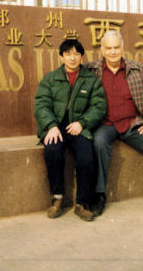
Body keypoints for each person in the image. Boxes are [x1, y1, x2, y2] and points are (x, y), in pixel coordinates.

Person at [85, 30, 143, 215]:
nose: (113, 52)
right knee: (98, 143)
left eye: (116, 47)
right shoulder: (91, 70)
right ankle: (99, 195)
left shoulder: (136, 69)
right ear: (102, 50)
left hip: (133, 124)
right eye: (109, 48)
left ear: (122, 48)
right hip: (105, 124)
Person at [34, 39, 107, 221]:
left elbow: (98, 105)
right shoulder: (50, 79)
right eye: (68, 54)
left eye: (76, 54)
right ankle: (57, 198)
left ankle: (82, 203)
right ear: (61, 56)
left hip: (78, 128)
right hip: (55, 128)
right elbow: (41, 104)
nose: (72, 58)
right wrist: (50, 126)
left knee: (86, 158)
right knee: (53, 151)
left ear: (82, 56)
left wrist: (82, 123)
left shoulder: (90, 80)